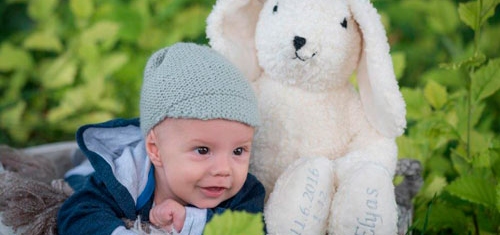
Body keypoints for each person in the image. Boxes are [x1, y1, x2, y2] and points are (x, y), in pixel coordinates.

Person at [57, 42, 265, 235]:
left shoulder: (244, 191)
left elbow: (250, 227)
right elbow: (76, 213)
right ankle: (84, 162)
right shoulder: (125, 176)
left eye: (238, 151)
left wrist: (189, 219)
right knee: (80, 181)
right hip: (109, 168)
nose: (223, 169)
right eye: (203, 150)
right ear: (156, 150)